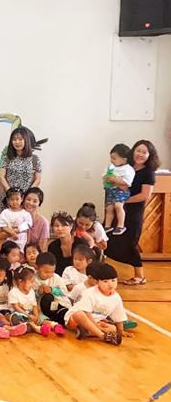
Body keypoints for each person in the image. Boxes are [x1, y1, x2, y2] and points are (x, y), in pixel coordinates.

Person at [106, 140, 160, 285]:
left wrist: (123, 200)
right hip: (117, 209)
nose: (140, 154)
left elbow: (145, 195)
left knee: (130, 243)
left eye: (144, 152)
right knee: (109, 238)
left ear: (149, 155)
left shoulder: (148, 172)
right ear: (133, 151)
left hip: (133, 212)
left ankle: (139, 276)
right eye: (138, 150)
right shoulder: (126, 166)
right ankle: (105, 271)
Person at [65, 262, 130, 346]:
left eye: (113, 280)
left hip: (96, 322)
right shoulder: (90, 293)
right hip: (76, 320)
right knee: (79, 314)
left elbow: (119, 316)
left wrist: (120, 331)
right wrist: (97, 327)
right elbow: (86, 313)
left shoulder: (116, 297)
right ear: (97, 282)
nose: (110, 284)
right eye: (105, 281)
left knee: (113, 328)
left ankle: (87, 332)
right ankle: (102, 336)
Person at [0, 126, 42, 220]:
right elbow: (1, 176)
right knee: (6, 223)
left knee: (24, 223)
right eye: (14, 139)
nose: (17, 142)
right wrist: (10, 193)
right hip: (8, 197)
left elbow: (37, 179)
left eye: (20, 139)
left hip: (26, 198)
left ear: (26, 140)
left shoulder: (35, 159)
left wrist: (27, 195)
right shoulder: (6, 158)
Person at [103, 143, 136, 235]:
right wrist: (106, 178)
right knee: (109, 207)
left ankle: (120, 225)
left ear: (124, 159)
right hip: (110, 190)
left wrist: (114, 180)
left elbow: (127, 182)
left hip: (121, 191)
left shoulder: (128, 169)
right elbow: (105, 176)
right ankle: (107, 226)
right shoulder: (111, 167)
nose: (112, 160)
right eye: (111, 158)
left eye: (114, 158)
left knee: (118, 206)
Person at [47, 211, 87, 276]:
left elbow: (86, 267)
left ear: (71, 226)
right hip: (59, 279)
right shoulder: (52, 246)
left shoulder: (81, 244)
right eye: (56, 226)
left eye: (64, 225)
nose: (60, 229)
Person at [23, 187, 50, 252]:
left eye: (35, 201)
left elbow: (42, 248)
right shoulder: (17, 217)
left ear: (39, 203)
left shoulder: (44, 222)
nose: (30, 203)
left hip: (34, 255)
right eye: (28, 199)